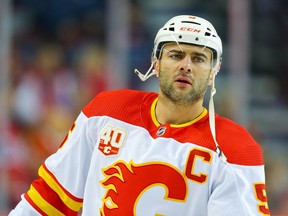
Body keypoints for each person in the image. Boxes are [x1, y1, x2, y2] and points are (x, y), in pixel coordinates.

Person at [9, 15, 270, 216]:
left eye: (199, 58)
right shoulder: (106, 111)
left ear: (214, 71)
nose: (186, 66)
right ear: (155, 62)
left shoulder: (236, 149)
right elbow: (49, 199)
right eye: (176, 54)